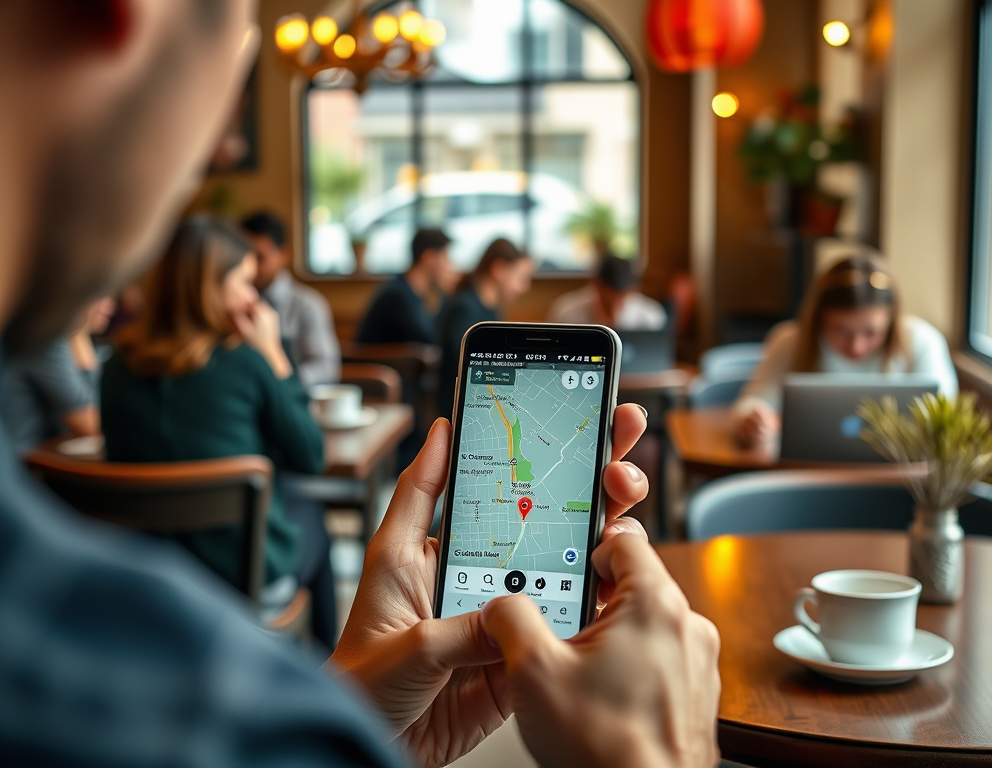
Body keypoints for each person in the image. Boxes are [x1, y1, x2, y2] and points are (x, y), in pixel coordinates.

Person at [0, 2, 721, 767]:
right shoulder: (240, 732)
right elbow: (307, 454)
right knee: (307, 531)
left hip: (147, 562)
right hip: (238, 571)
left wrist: (353, 715)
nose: (223, 139)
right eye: (244, 43)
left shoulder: (116, 374)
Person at [101, 215, 337, 648]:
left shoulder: (116, 367)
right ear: (211, 287)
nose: (253, 297)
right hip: (241, 591)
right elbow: (311, 455)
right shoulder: (245, 363)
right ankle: (334, 683)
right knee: (314, 523)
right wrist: (273, 354)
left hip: (145, 584)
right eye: (245, 282)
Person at [733, 253, 959, 447]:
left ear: (892, 320)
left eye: (871, 332)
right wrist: (753, 420)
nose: (856, 346)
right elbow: (752, 403)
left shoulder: (923, 342)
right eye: (841, 331)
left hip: (898, 481)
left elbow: (945, 419)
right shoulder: (789, 341)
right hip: (805, 476)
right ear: (818, 319)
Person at [240, 210, 341, 390]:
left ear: (282, 255)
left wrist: (280, 382)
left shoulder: (307, 305)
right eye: (244, 258)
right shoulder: (234, 303)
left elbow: (326, 368)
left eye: (260, 257)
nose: (251, 267)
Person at [436, 238, 535, 419]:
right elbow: (464, 365)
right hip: (461, 408)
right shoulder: (465, 308)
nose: (525, 287)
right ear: (498, 269)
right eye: (521, 278)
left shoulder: (490, 309)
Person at [0, 296, 113, 454]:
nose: (110, 307)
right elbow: (95, 425)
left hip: (38, 462)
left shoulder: (54, 337)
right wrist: (80, 336)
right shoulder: (44, 339)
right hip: (25, 468)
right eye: (102, 294)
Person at [356, 228, 454, 345]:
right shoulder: (397, 295)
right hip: (373, 362)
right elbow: (427, 340)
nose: (449, 266)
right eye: (445, 258)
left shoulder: (416, 292)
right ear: (429, 258)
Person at [548, 252, 667, 330]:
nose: (617, 302)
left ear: (634, 289)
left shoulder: (651, 314)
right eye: (611, 295)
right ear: (596, 285)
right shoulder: (567, 310)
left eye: (623, 296)